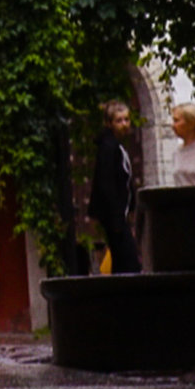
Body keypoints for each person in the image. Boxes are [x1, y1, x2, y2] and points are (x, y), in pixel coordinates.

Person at [88, 99, 141, 274]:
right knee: (129, 260)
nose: (125, 124)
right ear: (109, 124)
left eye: (126, 119)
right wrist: (117, 217)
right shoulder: (109, 147)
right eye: (119, 121)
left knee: (123, 260)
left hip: (118, 215)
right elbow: (107, 184)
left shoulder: (116, 146)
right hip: (114, 216)